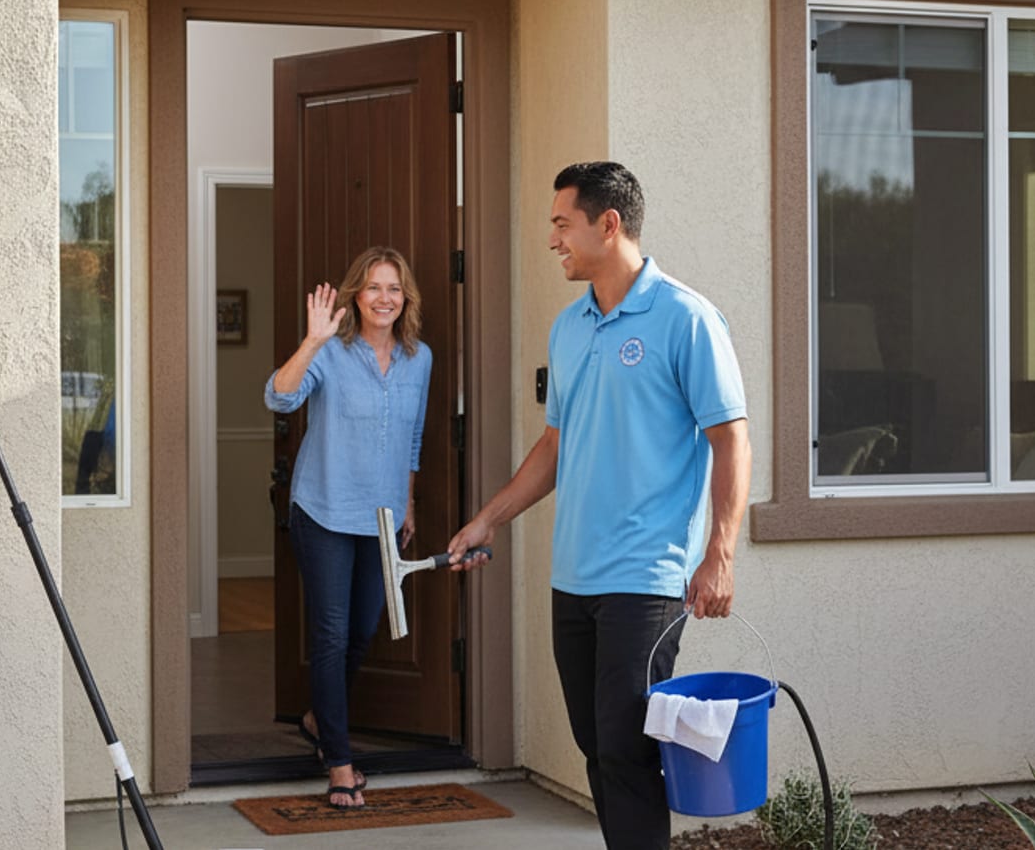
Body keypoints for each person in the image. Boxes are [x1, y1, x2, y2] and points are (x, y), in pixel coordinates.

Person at [447, 162, 751, 848]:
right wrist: (487, 519)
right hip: (574, 574)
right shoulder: (570, 327)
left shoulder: (687, 318)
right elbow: (556, 445)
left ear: (607, 224)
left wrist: (720, 556)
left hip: (647, 576)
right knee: (597, 748)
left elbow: (732, 441)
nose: (553, 239)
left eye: (562, 224)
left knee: (627, 751)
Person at [264, 246, 431, 809]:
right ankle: (339, 762)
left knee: (362, 630)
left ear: (404, 299)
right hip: (325, 510)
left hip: (382, 517)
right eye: (374, 288)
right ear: (356, 296)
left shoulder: (419, 359)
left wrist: (407, 502)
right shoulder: (331, 354)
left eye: (394, 289)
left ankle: (318, 718)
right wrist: (312, 339)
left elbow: (413, 438)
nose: (384, 298)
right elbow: (279, 397)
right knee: (332, 634)